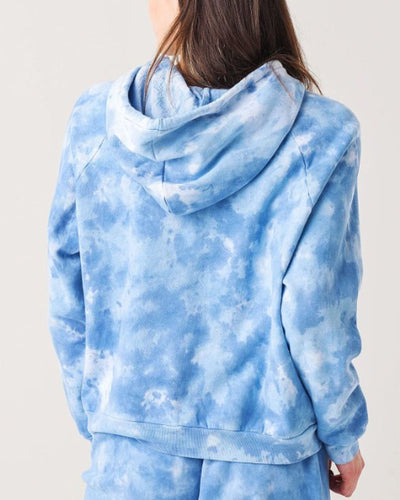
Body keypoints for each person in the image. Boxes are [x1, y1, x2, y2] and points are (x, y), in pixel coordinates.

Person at [47, 0, 368, 498]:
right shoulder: (320, 136)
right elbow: (315, 317)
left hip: (130, 464)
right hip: (268, 468)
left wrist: (107, 420)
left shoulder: (97, 124)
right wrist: (344, 438)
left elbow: (69, 297)